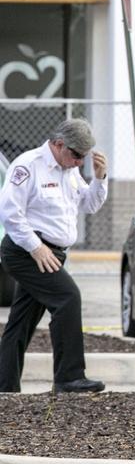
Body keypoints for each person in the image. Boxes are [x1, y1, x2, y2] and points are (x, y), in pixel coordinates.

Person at [0, 119, 108, 394]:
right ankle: (69, 377)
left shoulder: (69, 171)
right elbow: (10, 213)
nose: (79, 162)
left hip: (53, 253)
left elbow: (89, 204)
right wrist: (36, 247)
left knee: (21, 323)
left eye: (84, 157)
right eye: (76, 155)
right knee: (68, 297)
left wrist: (99, 178)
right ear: (59, 144)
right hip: (26, 250)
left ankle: (5, 386)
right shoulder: (28, 165)